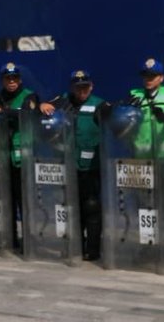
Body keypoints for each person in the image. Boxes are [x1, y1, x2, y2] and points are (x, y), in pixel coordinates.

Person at [40, 70, 111, 261]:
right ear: (72, 87)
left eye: (85, 87)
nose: (82, 91)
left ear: (91, 86)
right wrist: (43, 104)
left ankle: (93, 249)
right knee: (72, 207)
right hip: (69, 165)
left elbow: (112, 123)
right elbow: (46, 107)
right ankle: (75, 245)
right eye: (78, 87)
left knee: (92, 208)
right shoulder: (63, 101)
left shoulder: (100, 104)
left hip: (91, 167)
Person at [0, 62, 38, 247]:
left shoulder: (29, 96)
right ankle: (9, 238)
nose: (12, 81)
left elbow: (25, 112)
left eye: (15, 78)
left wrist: (1, 111)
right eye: (8, 78)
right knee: (5, 199)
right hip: (2, 155)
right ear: (2, 80)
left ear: (20, 79)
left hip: (22, 156)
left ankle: (28, 240)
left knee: (24, 199)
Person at [125, 58, 164, 160]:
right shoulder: (134, 95)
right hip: (141, 159)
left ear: (161, 78)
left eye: (152, 76)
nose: (148, 80)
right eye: (145, 76)